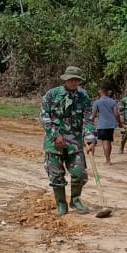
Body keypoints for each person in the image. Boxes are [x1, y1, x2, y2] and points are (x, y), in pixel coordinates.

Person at [40, 67, 92, 215]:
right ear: (65, 80)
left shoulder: (83, 96)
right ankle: (61, 204)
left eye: (76, 79)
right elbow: (44, 117)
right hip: (54, 141)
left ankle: (75, 200)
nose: (74, 82)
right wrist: (55, 135)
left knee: (79, 172)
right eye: (71, 79)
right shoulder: (52, 94)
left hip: (74, 140)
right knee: (56, 174)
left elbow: (88, 118)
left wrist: (90, 137)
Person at [92, 87, 120, 164]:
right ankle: (108, 158)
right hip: (111, 125)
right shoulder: (112, 101)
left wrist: (90, 123)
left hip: (102, 124)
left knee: (105, 142)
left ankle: (108, 160)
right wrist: (120, 123)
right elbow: (116, 114)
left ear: (100, 91)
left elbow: (93, 115)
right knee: (109, 141)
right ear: (107, 92)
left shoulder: (97, 102)